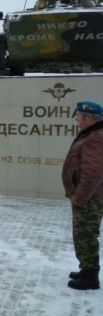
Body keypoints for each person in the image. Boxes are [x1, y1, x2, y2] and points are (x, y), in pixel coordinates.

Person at [62, 101, 103, 290]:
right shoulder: (93, 134)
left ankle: (90, 277)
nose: (75, 117)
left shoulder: (96, 137)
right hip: (89, 197)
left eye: (77, 114)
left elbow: (93, 172)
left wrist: (80, 197)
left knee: (85, 235)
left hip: (89, 198)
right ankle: (87, 269)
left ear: (88, 117)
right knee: (83, 235)